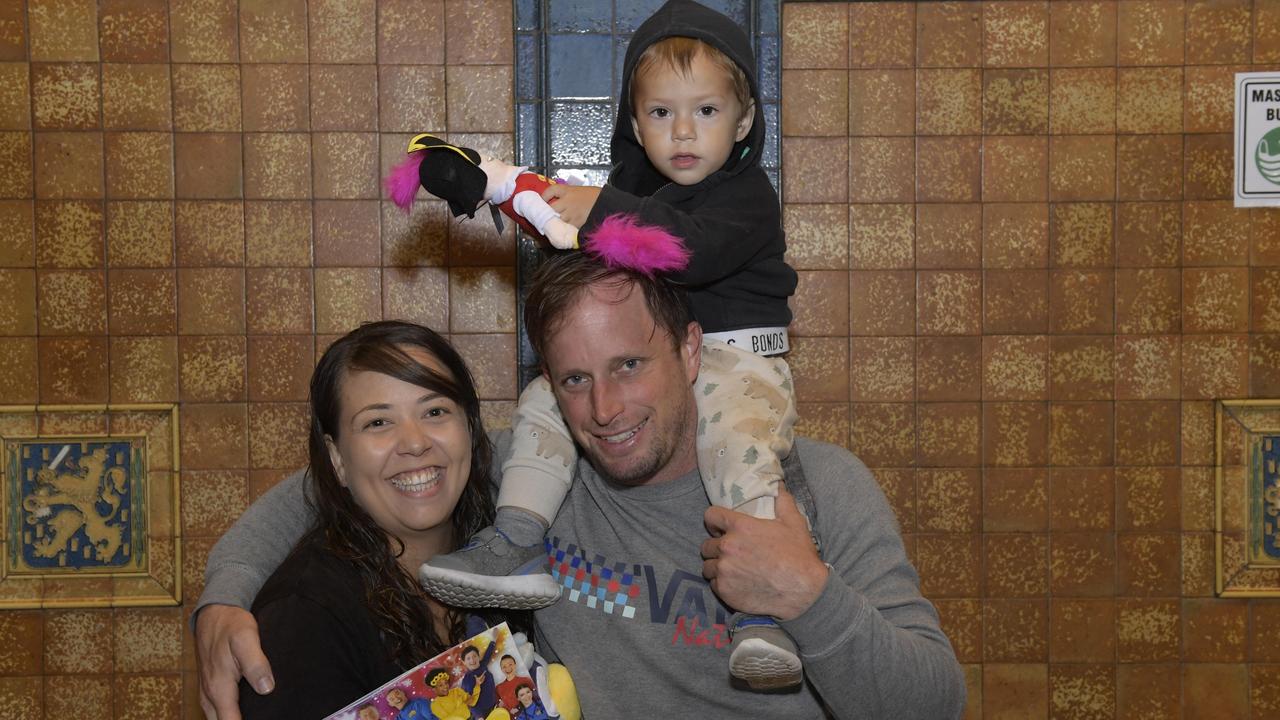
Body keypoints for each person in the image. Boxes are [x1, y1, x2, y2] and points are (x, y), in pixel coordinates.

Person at [194, 253, 966, 718]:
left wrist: (807, 595)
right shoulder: (540, 484)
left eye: (630, 365)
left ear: (692, 351)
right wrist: (222, 600)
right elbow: (370, 476)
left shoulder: (817, 485)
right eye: (574, 379)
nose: (604, 410)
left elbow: (936, 706)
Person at [418, 0, 803, 689]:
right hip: (658, 368)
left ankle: (759, 610)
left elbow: (685, 250)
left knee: (738, 449)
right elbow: (569, 237)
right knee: (542, 398)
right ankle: (517, 538)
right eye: (661, 113)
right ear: (634, 123)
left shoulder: (746, 196)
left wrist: (595, 206)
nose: (683, 131)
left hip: (739, 360)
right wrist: (499, 186)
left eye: (706, 112)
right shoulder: (631, 194)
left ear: (743, 121)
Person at [229, 320, 525, 718]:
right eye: (378, 422)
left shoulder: (513, 554)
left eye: (435, 411)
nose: (416, 443)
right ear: (337, 460)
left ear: (470, 429)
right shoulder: (305, 619)